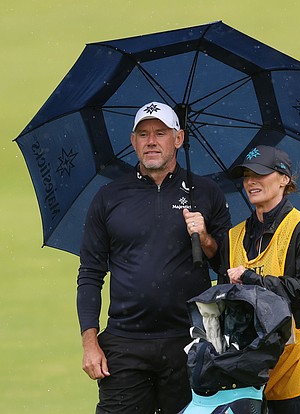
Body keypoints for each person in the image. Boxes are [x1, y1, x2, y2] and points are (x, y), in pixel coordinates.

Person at [76, 101, 232, 414]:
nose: (151, 141)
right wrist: (90, 343)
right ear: (133, 141)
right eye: (143, 134)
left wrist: (204, 237)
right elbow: (90, 273)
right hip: (124, 344)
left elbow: (225, 267)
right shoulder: (109, 196)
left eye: (160, 133)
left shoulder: (205, 192)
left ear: (178, 138)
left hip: (190, 341)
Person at [219, 145, 300, 413]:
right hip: (248, 374)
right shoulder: (233, 236)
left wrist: (254, 280)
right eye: (247, 175)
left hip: (299, 373)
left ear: (285, 179)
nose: (251, 181)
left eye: (260, 173)